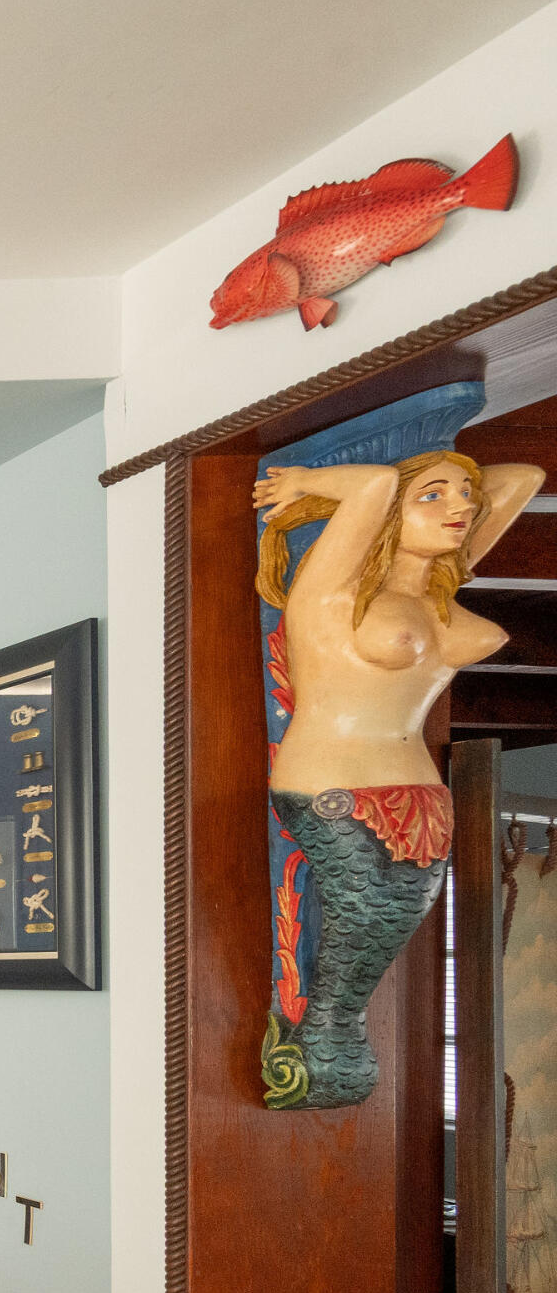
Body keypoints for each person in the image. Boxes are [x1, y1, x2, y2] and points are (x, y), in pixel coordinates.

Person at [255, 448, 546, 1106]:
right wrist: (310, 486)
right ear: (385, 516)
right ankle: (326, 1053)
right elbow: (379, 481)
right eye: (436, 496)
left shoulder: (438, 589)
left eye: (465, 497)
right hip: (335, 790)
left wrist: (443, 492)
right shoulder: (332, 592)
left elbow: (521, 477)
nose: (462, 507)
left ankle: (329, 1045)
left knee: (371, 942)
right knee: (360, 946)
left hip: (422, 801)